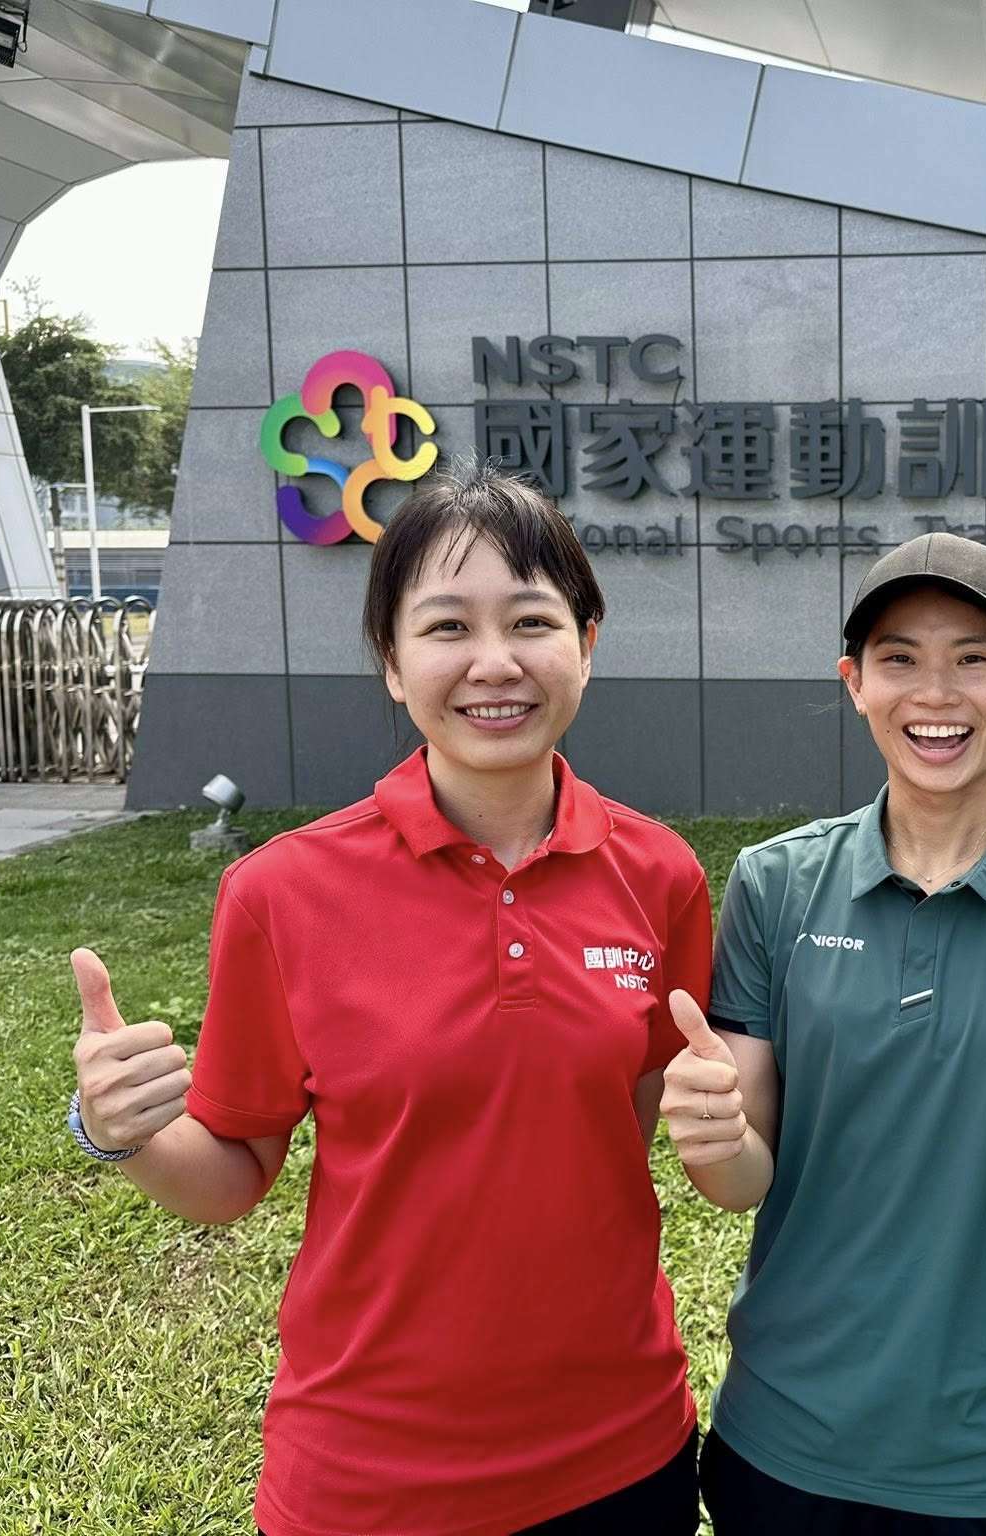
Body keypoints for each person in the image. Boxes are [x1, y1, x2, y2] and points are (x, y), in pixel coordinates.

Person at [64, 466, 711, 1536]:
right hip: (369, 1475)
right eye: (446, 625)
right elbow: (233, 1174)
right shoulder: (282, 893)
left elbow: (625, 1129)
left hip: (621, 1453)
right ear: (391, 665)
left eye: (533, 621)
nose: (494, 663)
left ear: (586, 645)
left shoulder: (661, 878)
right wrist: (119, 1133)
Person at [661, 532, 986, 1534]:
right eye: (899, 659)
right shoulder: (777, 884)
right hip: (788, 1444)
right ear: (853, 683)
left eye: (973, 659)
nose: (934, 694)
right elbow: (739, 1186)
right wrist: (713, 1135)